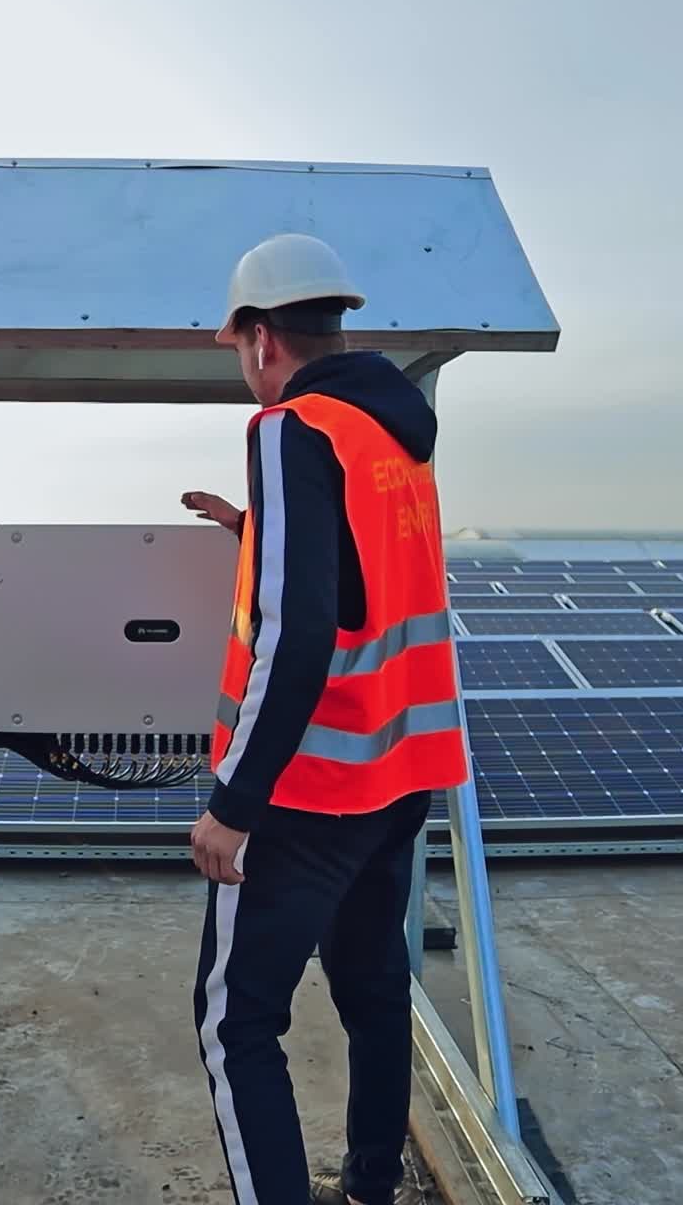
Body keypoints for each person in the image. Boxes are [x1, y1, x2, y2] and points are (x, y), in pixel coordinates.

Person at [183, 234, 470, 1205]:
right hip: (397, 771)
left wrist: (234, 800)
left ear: (262, 339)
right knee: (373, 993)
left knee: (234, 1022)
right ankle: (370, 1185)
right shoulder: (391, 427)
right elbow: (365, 575)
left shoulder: (288, 430)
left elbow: (298, 633)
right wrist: (251, 527)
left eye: (237, 346)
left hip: (308, 789)